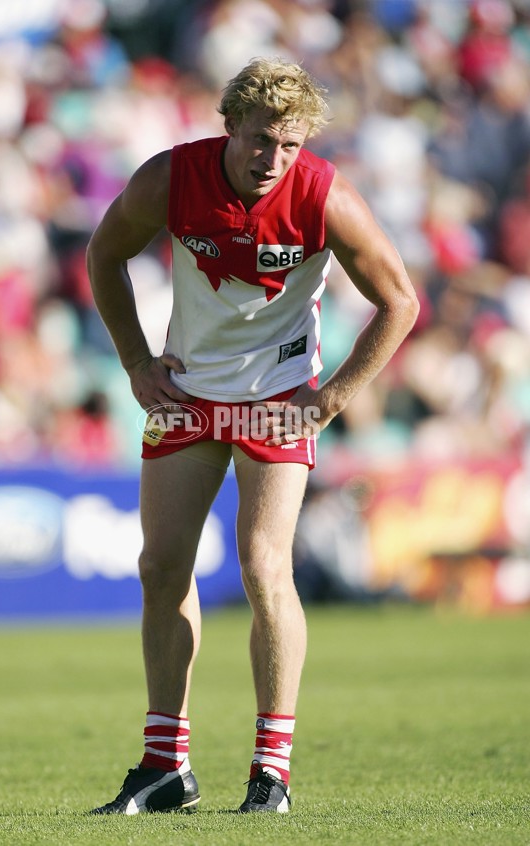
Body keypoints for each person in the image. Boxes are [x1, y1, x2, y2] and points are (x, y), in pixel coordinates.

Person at [86, 56, 419, 815]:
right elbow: (104, 254)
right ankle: (165, 767)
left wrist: (328, 399)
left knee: (265, 566)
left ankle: (272, 772)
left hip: (276, 399)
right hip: (186, 393)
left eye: (291, 146)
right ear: (229, 125)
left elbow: (399, 300)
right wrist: (137, 363)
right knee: (160, 567)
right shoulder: (170, 178)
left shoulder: (324, 194)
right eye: (262, 140)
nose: (274, 160)